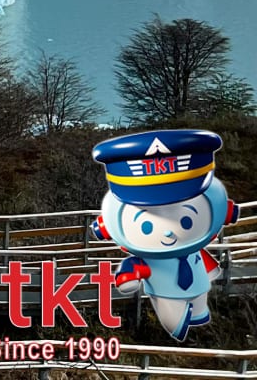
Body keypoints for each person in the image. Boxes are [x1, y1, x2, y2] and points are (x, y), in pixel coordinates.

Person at [90, 129, 247, 339]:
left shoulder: (196, 247)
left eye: (183, 220)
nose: (167, 230)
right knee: (173, 318)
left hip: (199, 287)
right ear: (107, 225)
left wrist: (211, 271)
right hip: (165, 295)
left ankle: (199, 320)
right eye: (148, 224)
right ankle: (180, 328)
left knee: (200, 313)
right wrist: (128, 276)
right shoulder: (145, 257)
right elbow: (132, 270)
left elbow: (202, 261)